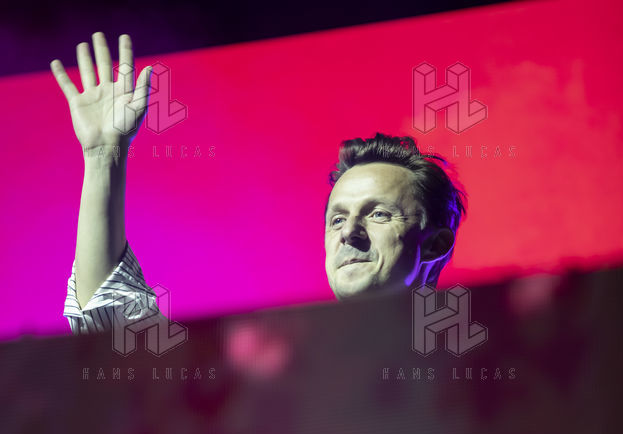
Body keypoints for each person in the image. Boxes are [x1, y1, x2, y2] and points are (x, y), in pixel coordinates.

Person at [50, 33, 467, 333]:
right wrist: (103, 157)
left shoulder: (477, 372)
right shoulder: (263, 380)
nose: (349, 234)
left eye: (378, 214)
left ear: (435, 243)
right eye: (337, 220)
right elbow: (112, 314)